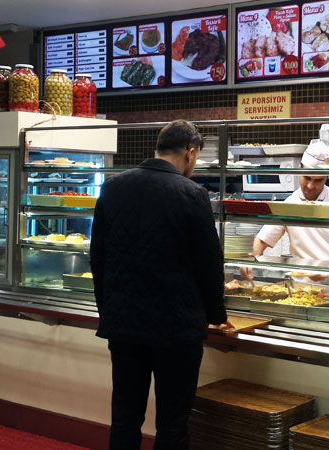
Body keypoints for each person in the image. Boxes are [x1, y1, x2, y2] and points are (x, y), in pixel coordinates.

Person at [90, 119, 231, 450]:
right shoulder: (192, 193)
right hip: (176, 328)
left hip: (124, 325)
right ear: (190, 152)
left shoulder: (113, 186)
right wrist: (216, 314)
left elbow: (98, 257)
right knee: (172, 423)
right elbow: (209, 263)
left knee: (125, 418)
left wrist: (109, 310)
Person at [243, 142, 329, 278]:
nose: (310, 186)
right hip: (300, 285)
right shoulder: (290, 203)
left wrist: (328, 266)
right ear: (299, 169)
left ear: (327, 177)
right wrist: (248, 259)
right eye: (306, 177)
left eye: (318, 180)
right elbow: (262, 240)